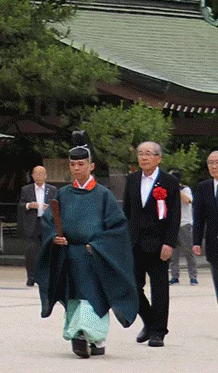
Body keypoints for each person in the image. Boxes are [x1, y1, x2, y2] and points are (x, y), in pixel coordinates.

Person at [36, 131, 137, 358]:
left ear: (91, 166)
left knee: (92, 296)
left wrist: (100, 244)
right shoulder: (62, 194)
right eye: (73, 164)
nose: (76, 168)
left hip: (94, 255)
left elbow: (118, 227)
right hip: (70, 254)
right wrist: (55, 237)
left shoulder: (104, 195)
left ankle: (93, 336)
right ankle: (78, 335)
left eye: (81, 164)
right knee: (74, 297)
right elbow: (49, 222)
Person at [124, 140, 179, 347]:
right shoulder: (131, 180)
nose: (144, 157)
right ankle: (148, 320)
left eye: (148, 153)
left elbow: (174, 216)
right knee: (132, 287)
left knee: (160, 290)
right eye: (140, 153)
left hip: (158, 244)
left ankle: (158, 332)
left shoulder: (169, 182)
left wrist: (169, 243)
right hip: (135, 243)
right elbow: (127, 213)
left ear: (158, 158)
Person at [16, 165, 57, 287]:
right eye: (36, 174)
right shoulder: (26, 189)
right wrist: (29, 205)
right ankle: (31, 276)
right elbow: (21, 205)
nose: (39, 176)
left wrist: (49, 208)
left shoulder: (52, 189)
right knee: (31, 252)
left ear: (45, 175)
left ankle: (45, 277)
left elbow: (57, 206)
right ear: (32, 176)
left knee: (47, 251)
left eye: (41, 173)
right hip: (32, 223)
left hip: (46, 223)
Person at [192, 150, 218, 300]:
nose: (213, 166)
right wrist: (196, 241)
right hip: (213, 242)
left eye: (217, 163)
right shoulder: (204, 187)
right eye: (210, 163)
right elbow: (199, 216)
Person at [171, 183, 196, 285]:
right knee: (173, 253)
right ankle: (174, 276)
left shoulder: (185, 189)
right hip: (173, 224)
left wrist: (178, 191)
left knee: (188, 251)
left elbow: (188, 200)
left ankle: (193, 276)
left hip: (184, 223)